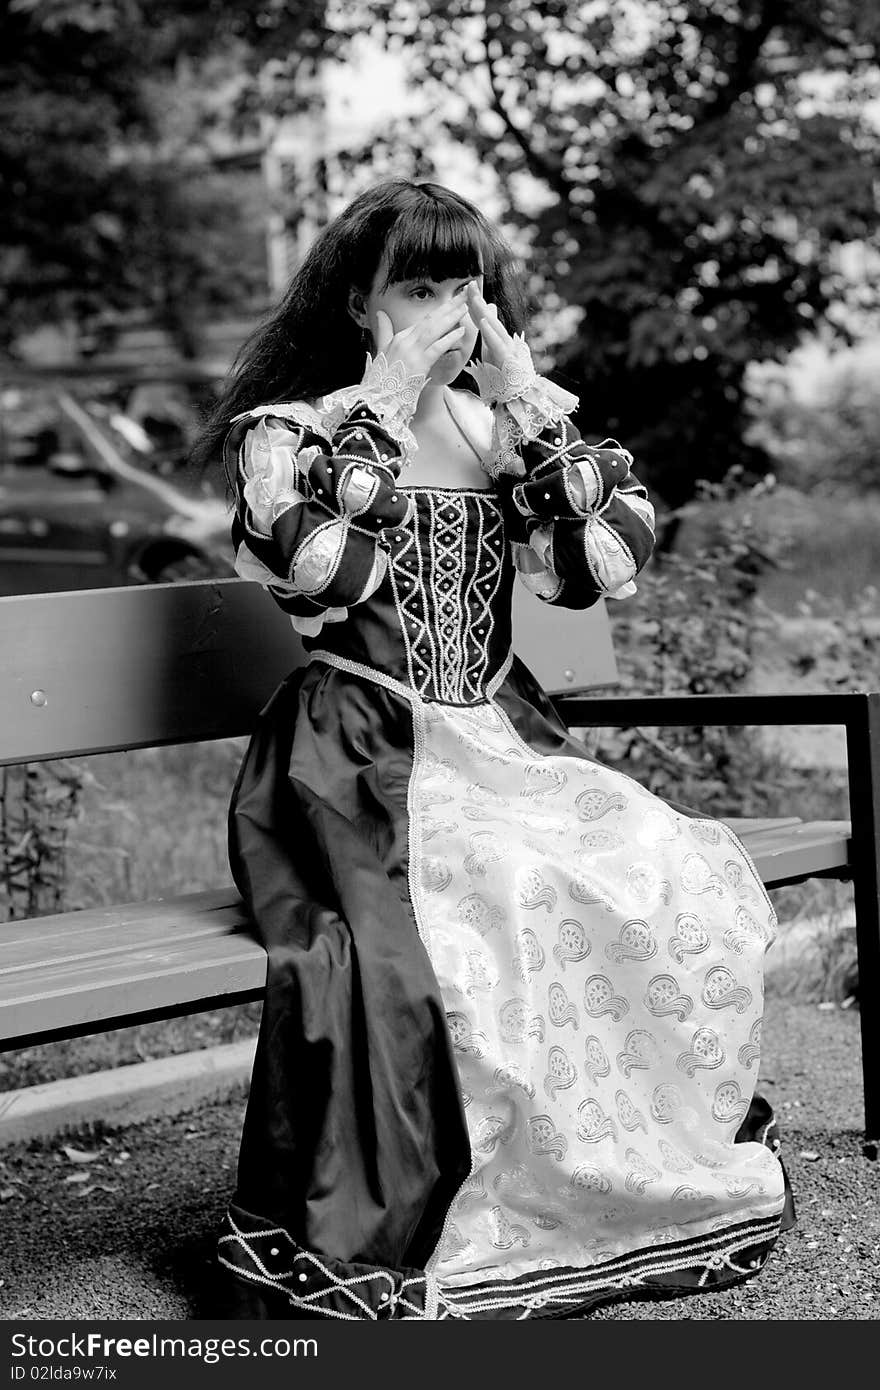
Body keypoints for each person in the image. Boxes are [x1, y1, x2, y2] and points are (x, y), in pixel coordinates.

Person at [197, 178, 793, 1321]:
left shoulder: (490, 423)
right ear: (359, 301)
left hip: (495, 730)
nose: (447, 311)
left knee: (657, 866)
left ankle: (590, 1174)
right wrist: (378, 398)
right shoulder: (295, 432)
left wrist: (522, 397)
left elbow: (590, 565)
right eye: (416, 288)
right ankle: (459, 1203)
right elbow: (325, 578)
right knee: (501, 891)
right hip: (352, 750)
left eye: (463, 285)